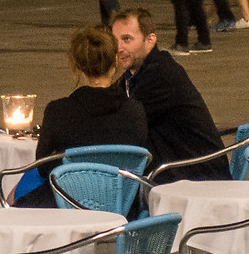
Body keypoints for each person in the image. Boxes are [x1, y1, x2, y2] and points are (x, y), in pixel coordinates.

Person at [21, 23, 152, 204]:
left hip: (68, 201)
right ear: (115, 60)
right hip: (120, 204)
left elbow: (43, 167)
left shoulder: (58, 111)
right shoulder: (135, 110)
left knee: (16, 194)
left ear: (76, 66)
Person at [112, 8, 226, 180]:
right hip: (174, 168)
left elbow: (123, 125)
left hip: (198, 175)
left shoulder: (160, 74)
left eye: (127, 39)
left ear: (150, 41)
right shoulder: (134, 75)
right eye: (115, 41)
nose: (119, 48)